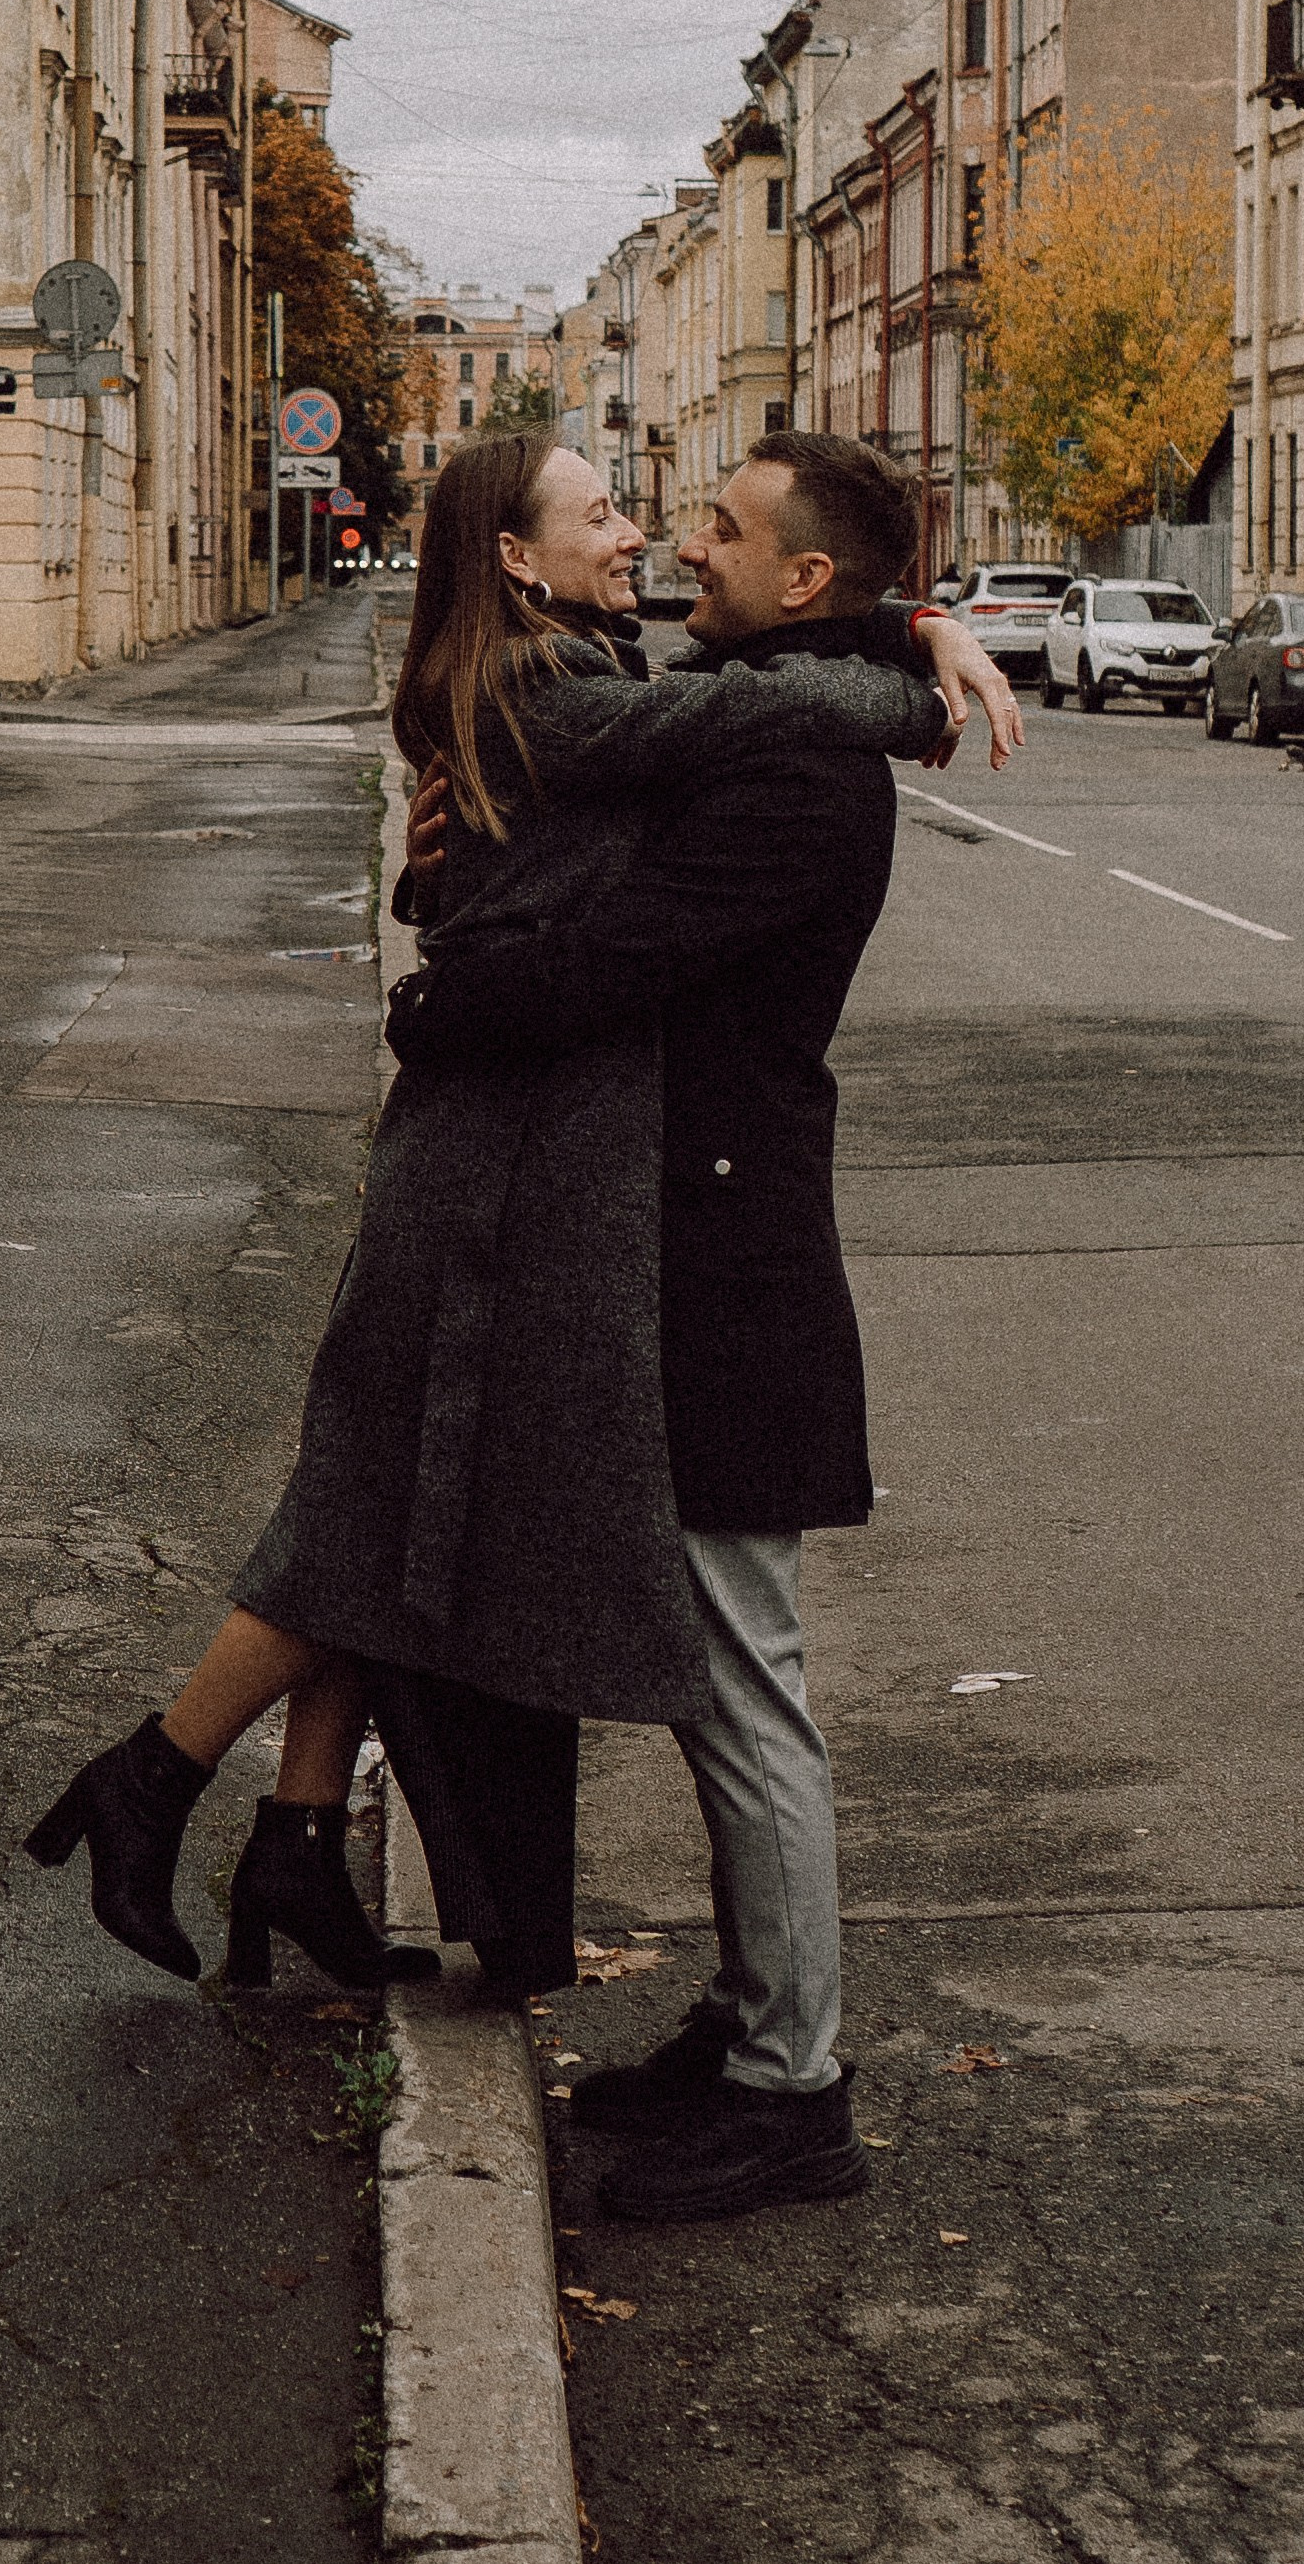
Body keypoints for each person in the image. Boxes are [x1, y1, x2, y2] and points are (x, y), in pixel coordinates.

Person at [25, 433, 1015, 1996]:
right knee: (367, 1507)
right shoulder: (555, 685)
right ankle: (149, 1774)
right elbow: (749, 713)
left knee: (403, 1505)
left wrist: (910, 621)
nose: (647, 536)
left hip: (510, 1149)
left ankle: (287, 1841)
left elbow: (524, 856)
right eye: (608, 512)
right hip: (484, 1159)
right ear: (510, 552)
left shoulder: (558, 666)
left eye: (669, 515)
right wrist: (912, 658)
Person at [393, 434, 1015, 2220]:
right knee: (721, 1676)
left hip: (726, 1259)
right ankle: (754, 2018)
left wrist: (445, 998)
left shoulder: (804, 773)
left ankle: (791, 2084)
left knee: (748, 1681)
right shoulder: (760, 706)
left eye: (721, 532)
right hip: (689, 1237)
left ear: (802, 583)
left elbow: (605, 958)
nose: (684, 542)